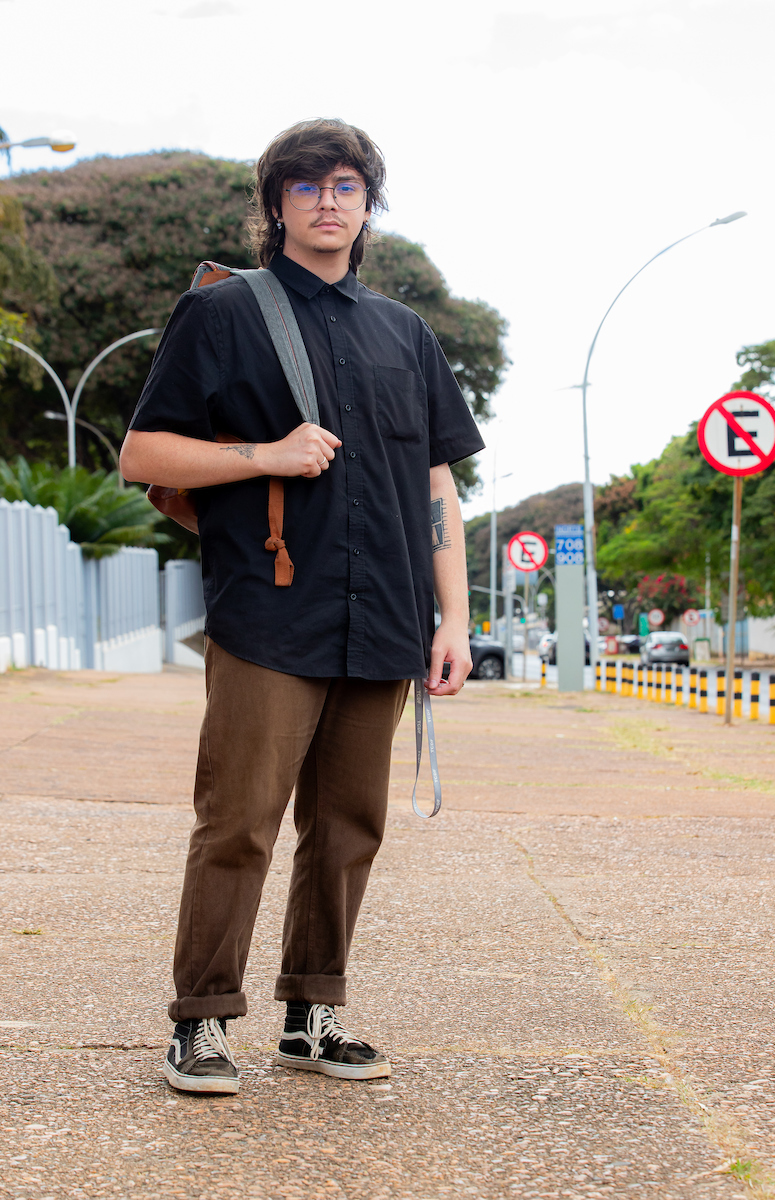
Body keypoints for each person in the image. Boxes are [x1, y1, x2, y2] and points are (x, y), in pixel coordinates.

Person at [119, 117, 484, 1095]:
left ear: (367, 205)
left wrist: (452, 620)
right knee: (238, 821)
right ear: (275, 204)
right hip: (271, 613)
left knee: (349, 825)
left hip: (386, 619)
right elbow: (141, 455)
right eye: (307, 185)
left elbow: (435, 483)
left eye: (346, 185)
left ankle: (312, 1015)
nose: (328, 201)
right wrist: (266, 456)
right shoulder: (226, 314)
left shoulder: (402, 332)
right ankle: (199, 1023)